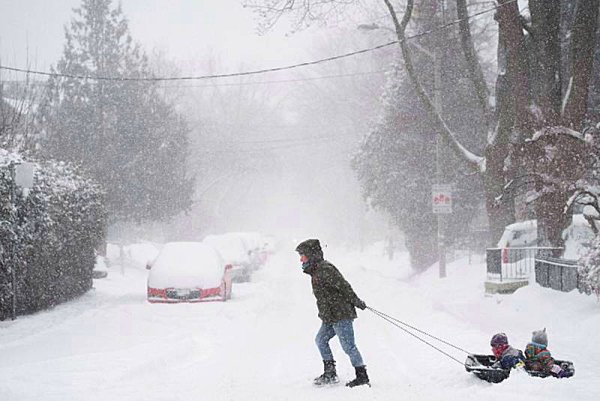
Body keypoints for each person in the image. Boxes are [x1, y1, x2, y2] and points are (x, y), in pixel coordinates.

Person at [295, 239, 370, 388]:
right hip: (330, 316)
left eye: (302, 255)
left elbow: (344, 286)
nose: (301, 259)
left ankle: (362, 376)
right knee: (321, 340)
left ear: (311, 254)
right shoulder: (316, 270)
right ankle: (330, 373)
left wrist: (356, 300)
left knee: (348, 346)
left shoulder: (325, 269)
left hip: (341, 314)